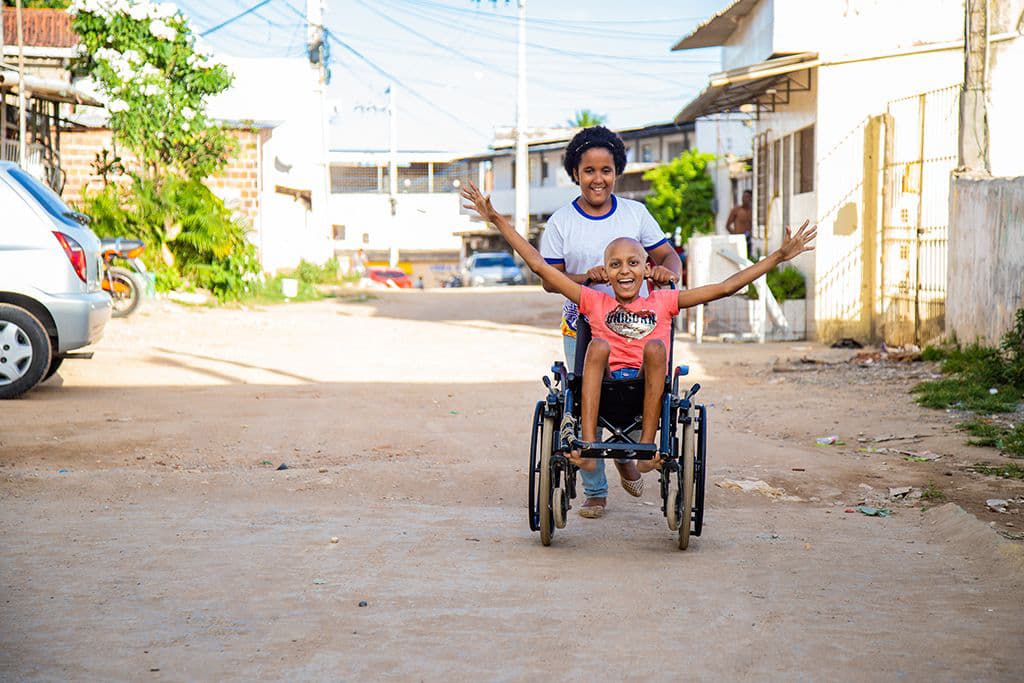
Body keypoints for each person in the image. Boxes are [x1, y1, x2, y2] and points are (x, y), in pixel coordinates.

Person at [461, 181, 816, 476]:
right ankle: (586, 445)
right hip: (604, 386)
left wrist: (779, 256)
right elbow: (540, 266)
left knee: (656, 349)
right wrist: (495, 219)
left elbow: (724, 287)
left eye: (633, 262)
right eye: (615, 265)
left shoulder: (663, 301)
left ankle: (647, 448)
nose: (625, 270)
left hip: (647, 386)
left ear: (647, 268)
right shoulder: (593, 300)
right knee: (597, 346)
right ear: (604, 271)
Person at [538, 125, 683, 518]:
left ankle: (627, 457)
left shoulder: (636, 214)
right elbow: (551, 281)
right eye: (589, 171)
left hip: (638, 323)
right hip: (585, 322)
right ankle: (596, 490)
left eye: (605, 170)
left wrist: (667, 273)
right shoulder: (561, 222)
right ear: (575, 174)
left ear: (616, 171)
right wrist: (587, 278)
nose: (597, 178)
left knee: (635, 392)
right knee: (588, 395)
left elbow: (669, 257)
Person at [726, 189, 754, 258]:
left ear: (751, 198)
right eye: (743, 197)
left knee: (747, 258)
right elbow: (728, 225)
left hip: (748, 239)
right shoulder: (736, 210)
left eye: (747, 197)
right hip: (738, 239)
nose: (744, 199)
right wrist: (735, 235)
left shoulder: (752, 211)